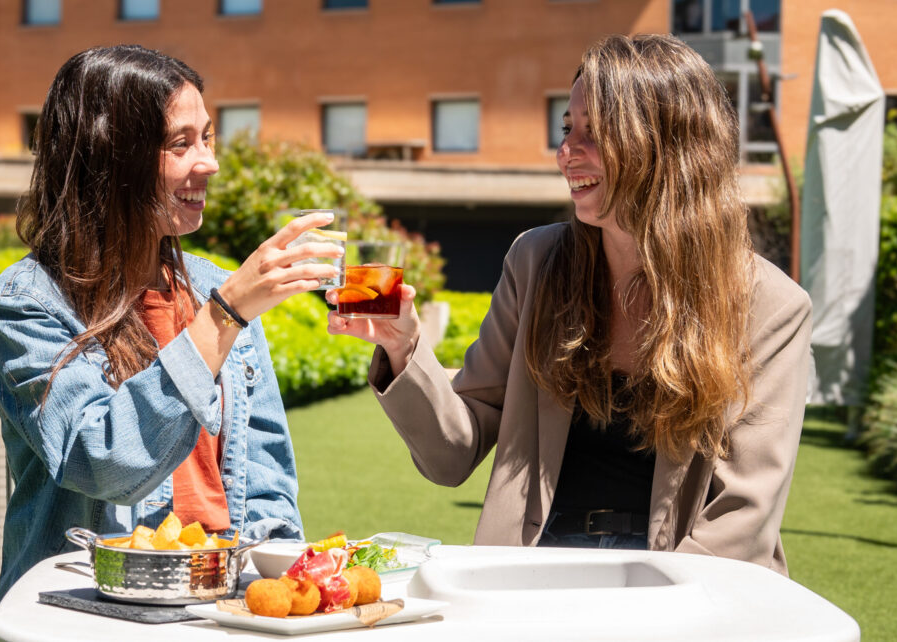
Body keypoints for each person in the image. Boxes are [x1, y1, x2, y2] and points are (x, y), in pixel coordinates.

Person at [327, 34, 811, 574]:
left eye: (594, 133)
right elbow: (451, 454)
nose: (566, 152)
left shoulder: (770, 306)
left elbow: (741, 519)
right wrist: (404, 349)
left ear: (666, 145)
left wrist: (640, 606)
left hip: (682, 580)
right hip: (535, 569)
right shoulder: (535, 263)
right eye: (566, 129)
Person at [0, 45, 343, 605]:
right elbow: (104, 463)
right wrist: (225, 315)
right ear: (111, 159)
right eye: (181, 143)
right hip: (91, 609)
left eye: (208, 137)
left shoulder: (215, 288)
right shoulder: (26, 305)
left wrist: (282, 592)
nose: (209, 163)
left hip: (221, 604)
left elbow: (266, 481)